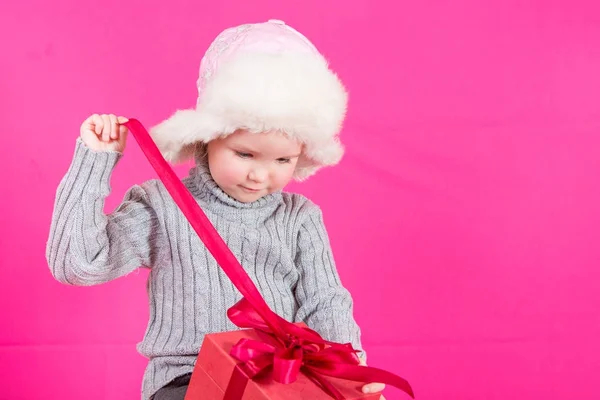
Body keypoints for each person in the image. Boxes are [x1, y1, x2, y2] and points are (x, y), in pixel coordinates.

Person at [46, 19, 385, 399]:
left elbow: (325, 300)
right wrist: (96, 161)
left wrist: (351, 370)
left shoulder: (298, 217)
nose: (260, 175)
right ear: (207, 138)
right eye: (245, 154)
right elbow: (78, 263)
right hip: (186, 381)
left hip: (277, 381)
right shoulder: (162, 205)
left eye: (282, 160)